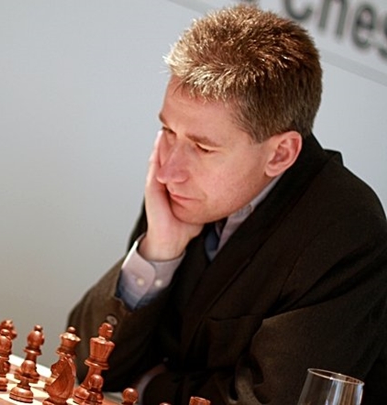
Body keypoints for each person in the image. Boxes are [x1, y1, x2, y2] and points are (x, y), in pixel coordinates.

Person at [67, 4, 387, 405]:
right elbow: (83, 364)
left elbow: (271, 401)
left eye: (203, 147)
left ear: (280, 154)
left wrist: (150, 387)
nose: (167, 170)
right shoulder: (182, 188)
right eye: (168, 130)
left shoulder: (347, 230)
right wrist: (158, 252)